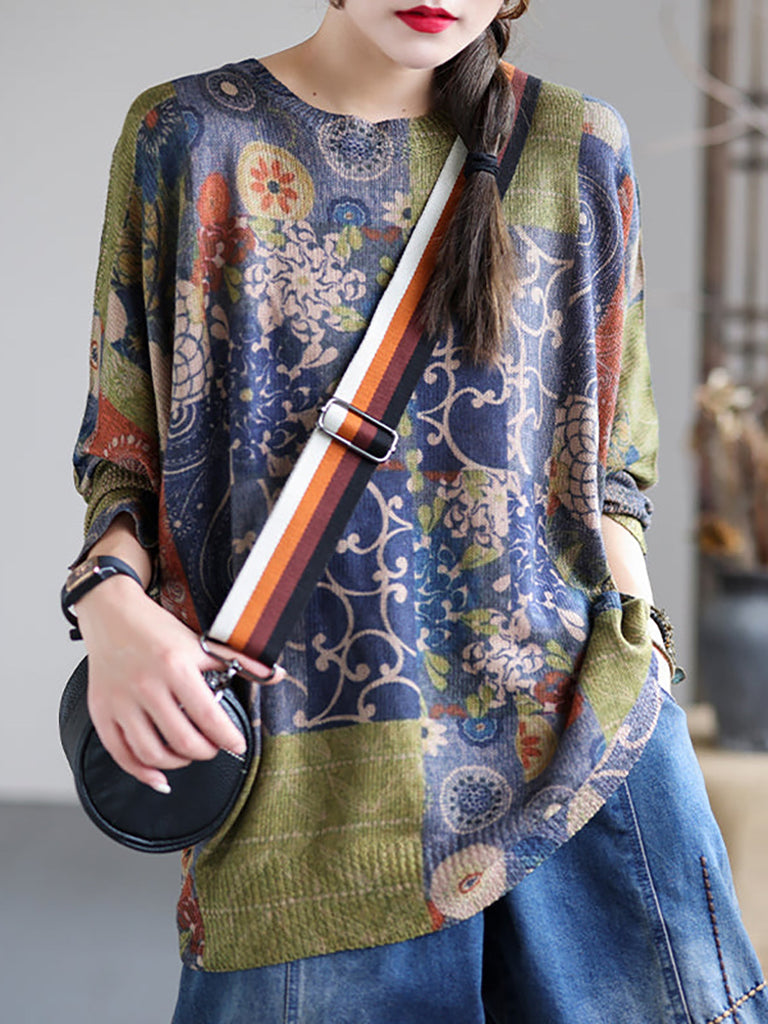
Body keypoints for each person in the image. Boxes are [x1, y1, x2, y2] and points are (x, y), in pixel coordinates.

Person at [64, 2, 767, 1021]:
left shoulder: (575, 146)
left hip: (586, 763)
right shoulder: (188, 135)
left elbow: (613, 473)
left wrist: (642, 666)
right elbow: (124, 457)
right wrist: (108, 607)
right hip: (310, 804)